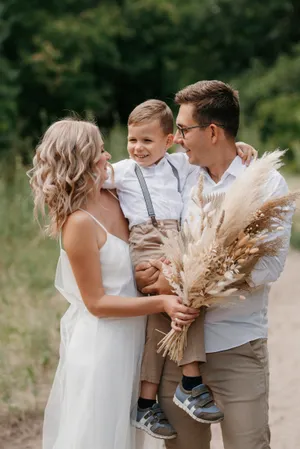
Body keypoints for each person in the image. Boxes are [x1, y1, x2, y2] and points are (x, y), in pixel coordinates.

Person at [136, 80, 293, 449]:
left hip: (237, 347)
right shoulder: (183, 176)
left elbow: (267, 269)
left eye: (184, 129)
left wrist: (187, 280)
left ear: (212, 131)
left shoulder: (266, 184)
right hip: (179, 349)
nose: (176, 137)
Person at [28, 117, 199, 449]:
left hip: (136, 340)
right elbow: (97, 304)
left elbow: (166, 171)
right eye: (101, 151)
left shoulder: (116, 196)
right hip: (103, 348)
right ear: (82, 159)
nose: (109, 157)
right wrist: (161, 303)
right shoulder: (78, 223)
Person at [104, 99, 257, 440]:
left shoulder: (180, 165)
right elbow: (91, 177)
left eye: (147, 140)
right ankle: (189, 382)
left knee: (163, 319)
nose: (137, 148)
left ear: (169, 140)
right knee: (186, 301)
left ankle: (146, 403)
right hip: (146, 246)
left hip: (177, 240)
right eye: (132, 140)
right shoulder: (123, 171)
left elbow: (218, 158)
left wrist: (241, 147)